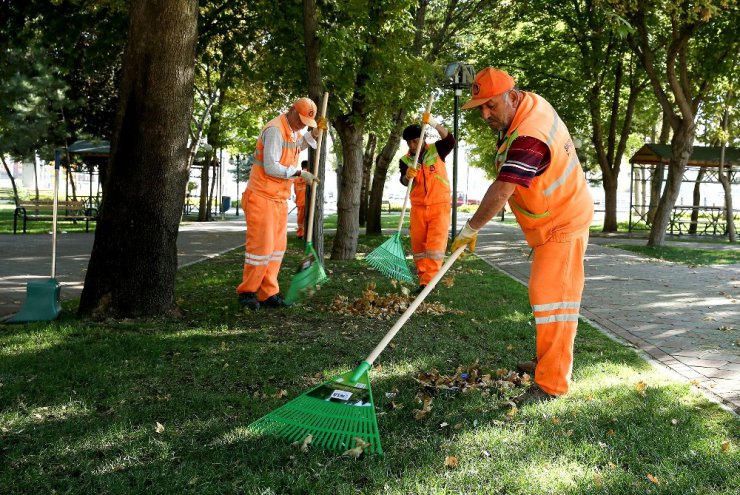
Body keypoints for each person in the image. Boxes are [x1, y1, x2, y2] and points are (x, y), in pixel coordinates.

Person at [451, 68, 594, 403]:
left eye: (491, 106)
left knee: (553, 301)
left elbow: (503, 189)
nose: (485, 114)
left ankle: (551, 384)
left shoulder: (530, 135)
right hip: (554, 221)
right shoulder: (528, 107)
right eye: (480, 108)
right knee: (546, 298)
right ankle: (546, 362)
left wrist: (471, 228)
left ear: (512, 97)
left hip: (564, 222)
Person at [236, 98, 326, 310]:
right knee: (261, 248)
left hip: (277, 198)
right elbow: (271, 166)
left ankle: (268, 293)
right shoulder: (275, 130)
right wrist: (299, 173)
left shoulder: (293, 131)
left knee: (277, 249)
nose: (303, 125)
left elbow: (298, 146)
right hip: (261, 196)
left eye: (307, 124)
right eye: (302, 120)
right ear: (292, 111)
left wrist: (314, 134)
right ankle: (248, 292)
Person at [399, 114, 455, 293]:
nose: (412, 146)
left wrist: (434, 123)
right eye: (409, 143)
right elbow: (403, 181)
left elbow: (450, 140)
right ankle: (423, 278)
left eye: (415, 141)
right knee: (419, 246)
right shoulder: (405, 160)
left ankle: (429, 283)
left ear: (423, 139)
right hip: (418, 208)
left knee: (435, 246)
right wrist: (406, 176)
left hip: (440, 206)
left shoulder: (437, 149)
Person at [293, 160, 309, 240]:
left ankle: (300, 234)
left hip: (300, 201)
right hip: (308, 202)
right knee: (308, 218)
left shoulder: (296, 177)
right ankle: (309, 233)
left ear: (302, 166)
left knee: (300, 220)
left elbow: (295, 191)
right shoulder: (310, 175)